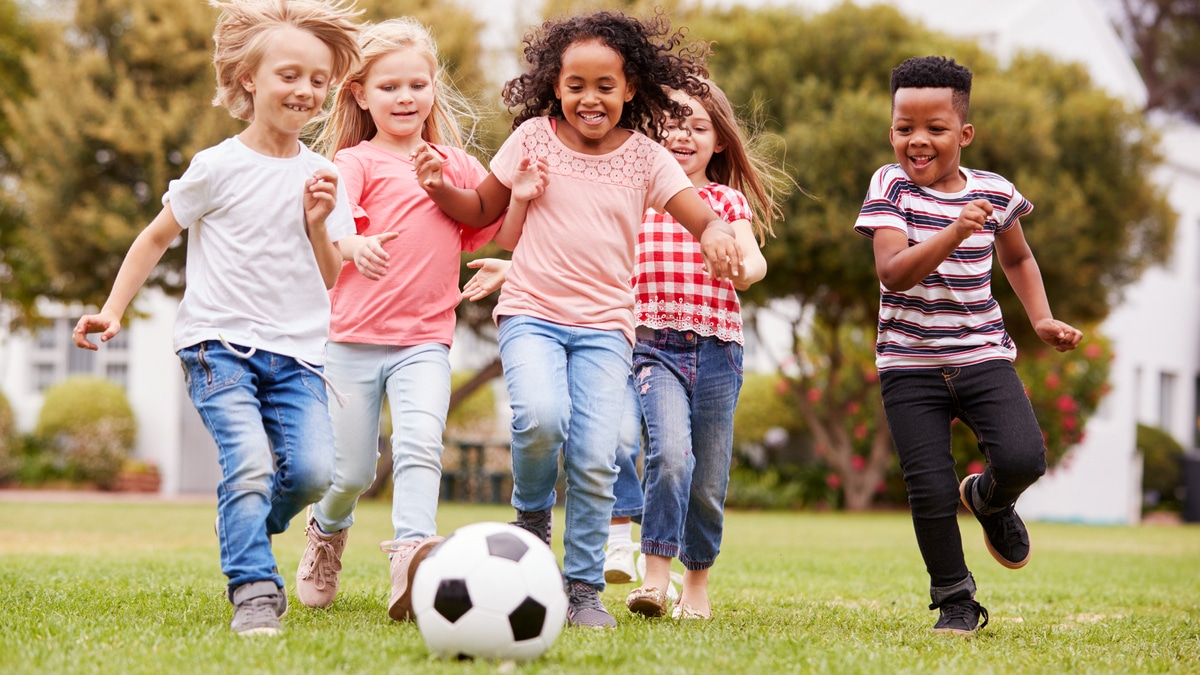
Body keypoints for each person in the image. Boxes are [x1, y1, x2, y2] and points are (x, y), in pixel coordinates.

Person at [419, 10, 744, 629]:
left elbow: (695, 212)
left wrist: (718, 233)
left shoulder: (647, 158)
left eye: (604, 86)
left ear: (630, 89)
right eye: (575, 86)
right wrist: (439, 189)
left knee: (596, 457)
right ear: (554, 86)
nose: (589, 99)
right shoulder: (533, 139)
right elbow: (482, 208)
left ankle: (584, 587)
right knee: (542, 419)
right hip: (532, 314)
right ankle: (533, 517)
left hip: (605, 328)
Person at [72, 0, 361, 636]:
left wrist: (317, 225)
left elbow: (334, 274)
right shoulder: (217, 166)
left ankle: (243, 523)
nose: (305, 90)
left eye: (318, 79)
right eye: (289, 74)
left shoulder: (323, 175)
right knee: (250, 465)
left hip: (299, 355)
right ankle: (254, 590)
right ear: (249, 80)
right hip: (217, 346)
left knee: (312, 473)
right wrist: (112, 310)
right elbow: (154, 238)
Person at [854, 56, 1082, 635]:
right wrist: (955, 230)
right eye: (905, 127)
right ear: (891, 131)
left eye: (935, 128)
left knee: (1024, 458)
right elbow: (893, 273)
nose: (918, 141)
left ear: (965, 133)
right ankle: (956, 601)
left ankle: (989, 499)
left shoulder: (995, 191)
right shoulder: (889, 185)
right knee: (929, 488)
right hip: (908, 365)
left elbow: (1018, 257)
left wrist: (1042, 318)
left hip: (982, 355)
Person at [293, 18, 504, 621]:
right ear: (360, 93)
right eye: (389, 87)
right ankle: (326, 534)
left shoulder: (455, 166)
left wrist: (527, 185)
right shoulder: (354, 161)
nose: (405, 97)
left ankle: (411, 559)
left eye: (418, 84)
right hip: (350, 340)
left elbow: (488, 222)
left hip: (424, 341)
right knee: (351, 470)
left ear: (433, 87)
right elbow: (333, 217)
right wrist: (352, 244)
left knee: (419, 445)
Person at [621, 80, 783, 621]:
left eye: (698, 126)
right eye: (672, 122)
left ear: (718, 142)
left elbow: (753, 259)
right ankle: (654, 578)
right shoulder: (633, 194)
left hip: (718, 350)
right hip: (653, 347)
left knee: (709, 481)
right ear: (649, 129)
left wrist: (744, 267)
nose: (683, 135)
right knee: (669, 457)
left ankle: (696, 584)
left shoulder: (723, 201)